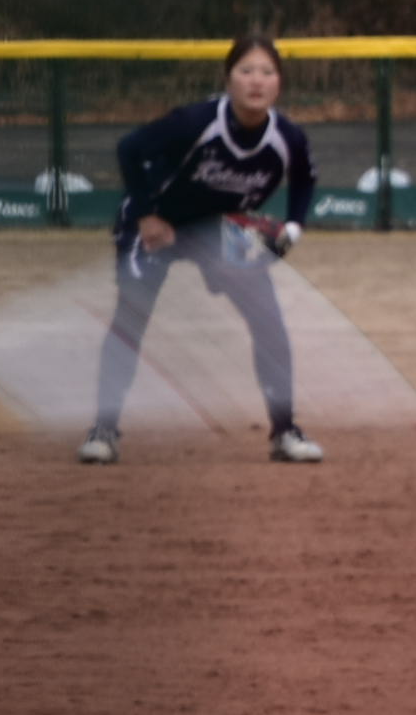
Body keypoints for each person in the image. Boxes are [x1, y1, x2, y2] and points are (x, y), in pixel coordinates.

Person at [81, 32, 324, 466]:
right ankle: (104, 429)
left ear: (279, 83)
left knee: (268, 321)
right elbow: (129, 149)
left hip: (219, 230)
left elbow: (305, 178)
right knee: (131, 318)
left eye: (267, 72)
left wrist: (294, 226)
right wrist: (146, 215)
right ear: (228, 79)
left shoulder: (286, 137)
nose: (256, 80)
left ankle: (285, 431)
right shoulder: (195, 122)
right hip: (158, 223)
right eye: (246, 70)